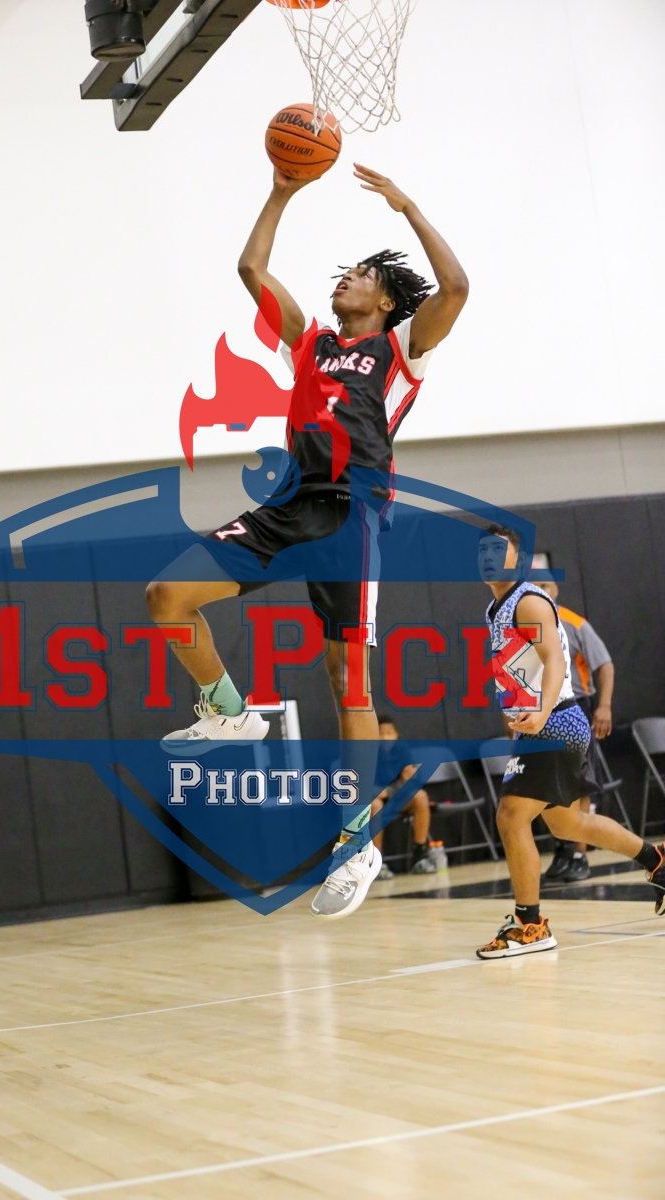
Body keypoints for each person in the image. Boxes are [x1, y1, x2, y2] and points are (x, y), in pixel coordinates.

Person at [147, 163, 468, 920]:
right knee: (166, 596)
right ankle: (227, 709)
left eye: (360, 275)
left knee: (347, 680)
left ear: (384, 302)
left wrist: (409, 206)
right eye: (345, 273)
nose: (345, 279)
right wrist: (282, 190)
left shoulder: (401, 351)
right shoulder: (311, 345)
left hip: (353, 516)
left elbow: (455, 288)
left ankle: (356, 842)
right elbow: (251, 270)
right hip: (289, 505)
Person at [474, 526, 664, 958]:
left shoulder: (528, 602)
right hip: (549, 723)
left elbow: (555, 660)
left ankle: (530, 925)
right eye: (482, 551)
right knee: (568, 824)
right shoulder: (497, 607)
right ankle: (656, 859)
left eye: (497, 551)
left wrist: (540, 711)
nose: (487, 557)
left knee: (511, 817)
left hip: (555, 722)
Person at [538, 579, 615, 883]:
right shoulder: (523, 626)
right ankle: (564, 848)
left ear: (555, 588)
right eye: (534, 585)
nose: (541, 590)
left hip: (575, 706)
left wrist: (604, 706)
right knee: (548, 785)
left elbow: (605, 664)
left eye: (545, 584)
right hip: (542, 712)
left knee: (580, 783)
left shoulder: (573, 622)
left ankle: (580, 853)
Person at [372, 715, 434, 876]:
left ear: (396, 735)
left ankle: (419, 856)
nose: (385, 737)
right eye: (380, 733)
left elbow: (413, 781)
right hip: (373, 802)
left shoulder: (403, 751)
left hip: (395, 799)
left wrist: (390, 791)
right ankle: (376, 863)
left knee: (420, 796)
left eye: (389, 733)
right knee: (375, 804)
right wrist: (399, 785)